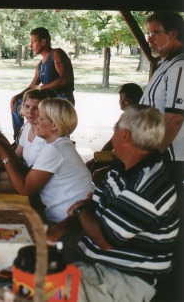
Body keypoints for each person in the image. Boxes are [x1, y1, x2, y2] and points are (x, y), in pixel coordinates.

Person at [47, 105, 179, 302]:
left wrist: (81, 210)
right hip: (94, 258)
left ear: (125, 135)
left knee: (46, 291)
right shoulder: (122, 171)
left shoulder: (147, 186)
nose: (113, 134)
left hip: (124, 278)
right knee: (21, 263)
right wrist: (54, 233)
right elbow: (92, 209)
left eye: (115, 128)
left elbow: (103, 237)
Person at [0, 98, 93, 223]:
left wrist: (2, 154)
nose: (36, 121)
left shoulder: (55, 149)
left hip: (68, 224)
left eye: (41, 118)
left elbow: (24, 189)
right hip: (73, 217)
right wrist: (6, 147)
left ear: (54, 125)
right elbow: (27, 173)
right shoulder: (59, 144)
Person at [140, 10, 184, 302]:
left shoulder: (181, 66)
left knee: (168, 225)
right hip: (158, 156)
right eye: (148, 33)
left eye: (154, 33)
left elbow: (174, 119)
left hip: (170, 160)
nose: (149, 39)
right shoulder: (166, 64)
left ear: (174, 34)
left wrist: (150, 159)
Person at [10, 27, 74, 140]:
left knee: (48, 118)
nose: (31, 46)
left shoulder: (56, 54)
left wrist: (43, 87)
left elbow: (64, 80)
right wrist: (17, 96)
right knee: (17, 105)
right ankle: (19, 139)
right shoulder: (40, 64)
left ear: (43, 42)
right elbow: (32, 86)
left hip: (62, 99)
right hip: (47, 100)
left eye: (33, 42)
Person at [86, 82, 143, 174]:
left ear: (136, 100)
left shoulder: (137, 118)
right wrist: (97, 158)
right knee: (92, 166)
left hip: (131, 159)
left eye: (127, 99)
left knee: (97, 173)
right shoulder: (125, 115)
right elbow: (112, 142)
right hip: (120, 156)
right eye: (120, 97)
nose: (121, 101)